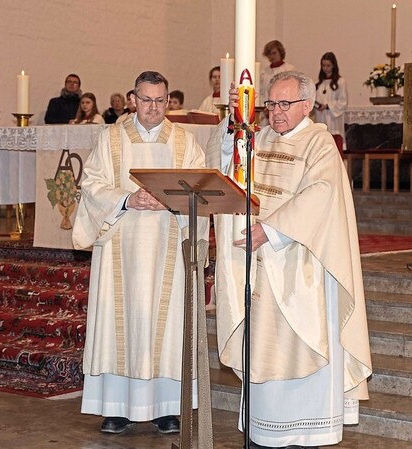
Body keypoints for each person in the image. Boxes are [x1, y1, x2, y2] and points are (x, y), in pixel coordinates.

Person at [207, 71, 372, 449]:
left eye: (285, 104)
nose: (276, 112)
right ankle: (264, 434)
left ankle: (306, 435)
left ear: (307, 106)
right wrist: (237, 119)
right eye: (271, 104)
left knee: (301, 358)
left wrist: (273, 230)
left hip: (301, 271)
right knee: (263, 351)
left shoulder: (319, 143)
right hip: (261, 269)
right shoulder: (259, 137)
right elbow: (227, 164)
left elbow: (322, 193)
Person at [73, 70, 208, 436]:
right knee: (122, 322)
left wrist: (170, 200)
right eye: (146, 100)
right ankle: (116, 408)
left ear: (168, 100)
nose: (153, 108)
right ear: (133, 99)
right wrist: (127, 198)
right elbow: (91, 184)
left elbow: (202, 189)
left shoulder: (184, 143)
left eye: (160, 100)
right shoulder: (111, 138)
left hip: (167, 243)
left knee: (166, 326)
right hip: (122, 243)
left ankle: (167, 407)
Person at [313, 52, 348, 146]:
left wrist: (327, 106)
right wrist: (316, 105)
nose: (325, 68)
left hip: (334, 120)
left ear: (333, 65)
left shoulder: (340, 82)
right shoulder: (318, 84)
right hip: (321, 118)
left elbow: (343, 102)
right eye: (323, 65)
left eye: (328, 65)